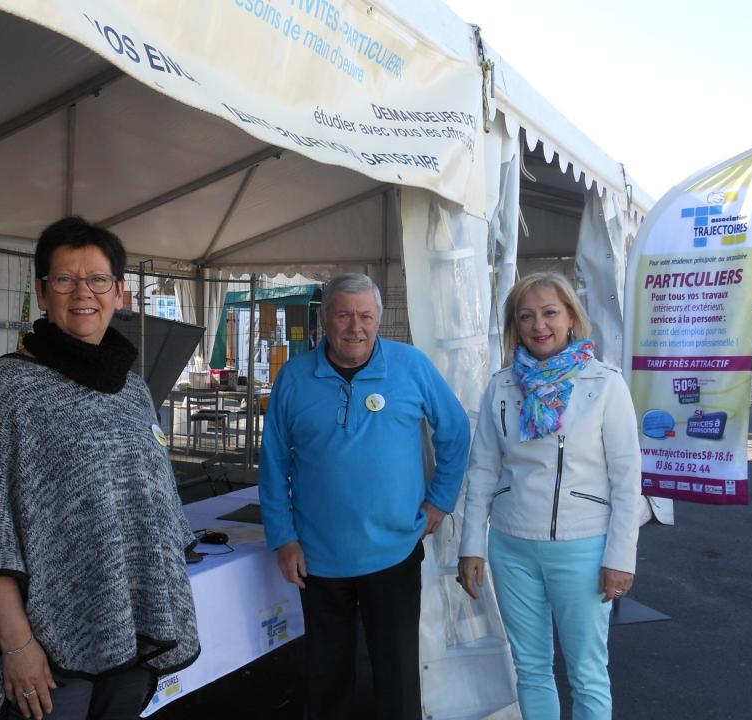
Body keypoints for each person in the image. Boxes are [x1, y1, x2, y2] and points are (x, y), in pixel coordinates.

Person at [0, 216, 199, 720]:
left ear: (120, 292)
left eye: (98, 279)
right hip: (47, 645)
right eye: (65, 279)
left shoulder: (133, 389)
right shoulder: (9, 389)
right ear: (41, 291)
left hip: (130, 628)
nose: (84, 293)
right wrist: (17, 646)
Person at [258, 272, 471, 720]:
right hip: (318, 557)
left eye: (366, 316)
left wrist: (440, 499)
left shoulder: (410, 366)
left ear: (378, 320)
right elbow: (274, 462)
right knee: (327, 678)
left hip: (393, 552)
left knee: (395, 678)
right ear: (324, 320)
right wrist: (283, 537)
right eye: (344, 315)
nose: (355, 327)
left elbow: (455, 430)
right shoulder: (294, 378)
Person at [457, 272, 643, 720]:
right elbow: (482, 470)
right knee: (531, 669)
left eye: (549, 312)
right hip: (511, 545)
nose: (539, 325)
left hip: (582, 549)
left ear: (571, 318)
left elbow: (626, 478)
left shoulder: (605, 384)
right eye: (526, 316)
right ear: (515, 325)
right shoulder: (502, 385)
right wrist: (471, 546)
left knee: (587, 672)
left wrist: (621, 556)